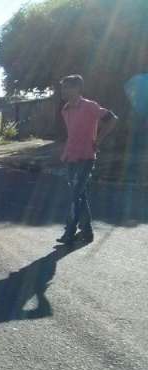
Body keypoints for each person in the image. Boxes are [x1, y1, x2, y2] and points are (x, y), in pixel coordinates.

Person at [56, 74, 118, 245]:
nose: (63, 90)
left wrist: (98, 140)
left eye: (66, 87)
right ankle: (87, 231)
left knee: (75, 194)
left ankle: (69, 231)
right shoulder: (65, 109)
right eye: (63, 87)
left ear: (77, 89)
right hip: (70, 156)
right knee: (79, 194)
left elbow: (112, 119)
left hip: (86, 156)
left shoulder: (90, 106)